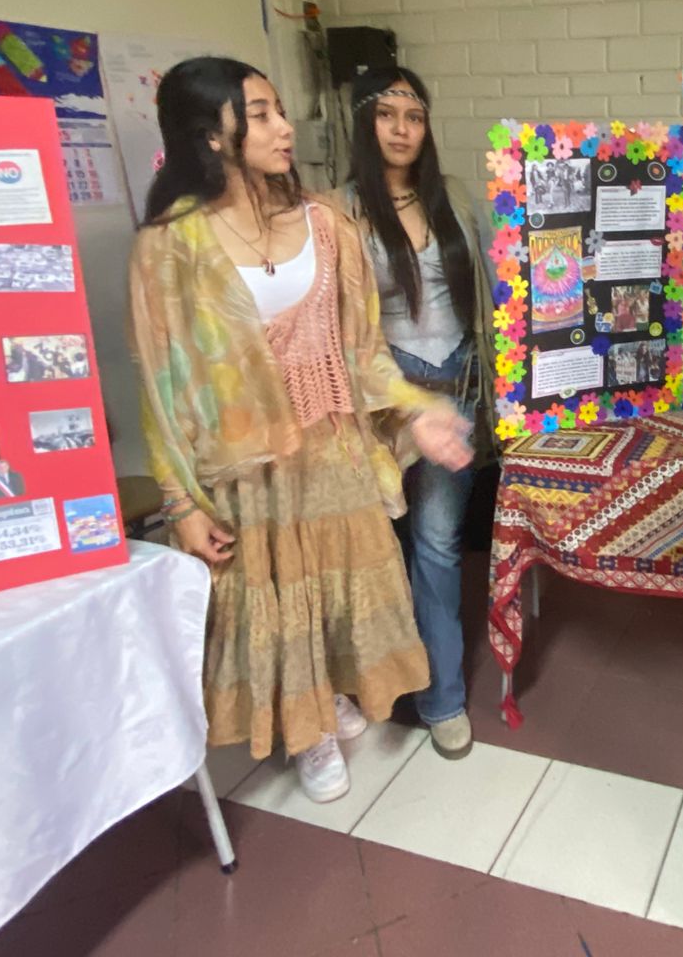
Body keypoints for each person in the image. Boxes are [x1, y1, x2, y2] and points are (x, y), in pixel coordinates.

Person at [127, 56, 471, 803]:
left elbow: (362, 353)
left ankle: (331, 695)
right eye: (261, 115)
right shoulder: (171, 244)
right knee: (277, 602)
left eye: (280, 110)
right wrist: (180, 502)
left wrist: (417, 407)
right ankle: (310, 733)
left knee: (341, 594)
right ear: (210, 135)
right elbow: (162, 385)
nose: (285, 128)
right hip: (247, 468)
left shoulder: (325, 224)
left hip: (334, 448)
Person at [336, 65, 496, 761]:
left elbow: (492, 290)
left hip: (453, 387)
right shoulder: (337, 212)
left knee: (435, 544)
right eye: (387, 115)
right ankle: (376, 681)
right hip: (381, 398)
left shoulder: (451, 195)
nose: (402, 129)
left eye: (415, 116)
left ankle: (443, 699)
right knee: (376, 546)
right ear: (363, 123)